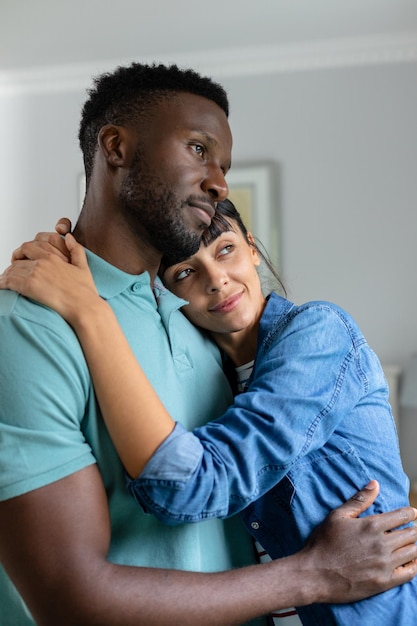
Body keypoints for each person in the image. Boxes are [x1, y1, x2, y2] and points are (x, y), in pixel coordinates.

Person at [1, 63, 417, 626]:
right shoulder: (28, 324)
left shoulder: (206, 331)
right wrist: (315, 573)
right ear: (116, 147)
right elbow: (68, 595)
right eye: (198, 149)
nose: (218, 181)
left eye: (222, 165)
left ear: (248, 245)